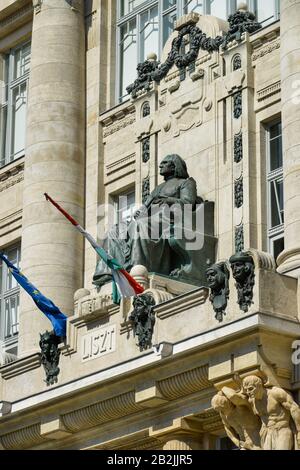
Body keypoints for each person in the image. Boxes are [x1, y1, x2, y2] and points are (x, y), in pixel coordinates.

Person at [93, 154, 202, 287]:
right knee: (115, 230)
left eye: (165, 163)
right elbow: (145, 207)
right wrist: (140, 212)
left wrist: (168, 200)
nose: (160, 165)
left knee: (140, 225)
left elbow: (188, 202)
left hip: (169, 218)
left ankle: (137, 267)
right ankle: (107, 272)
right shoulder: (158, 188)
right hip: (151, 219)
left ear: (174, 166)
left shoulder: (186, 182)